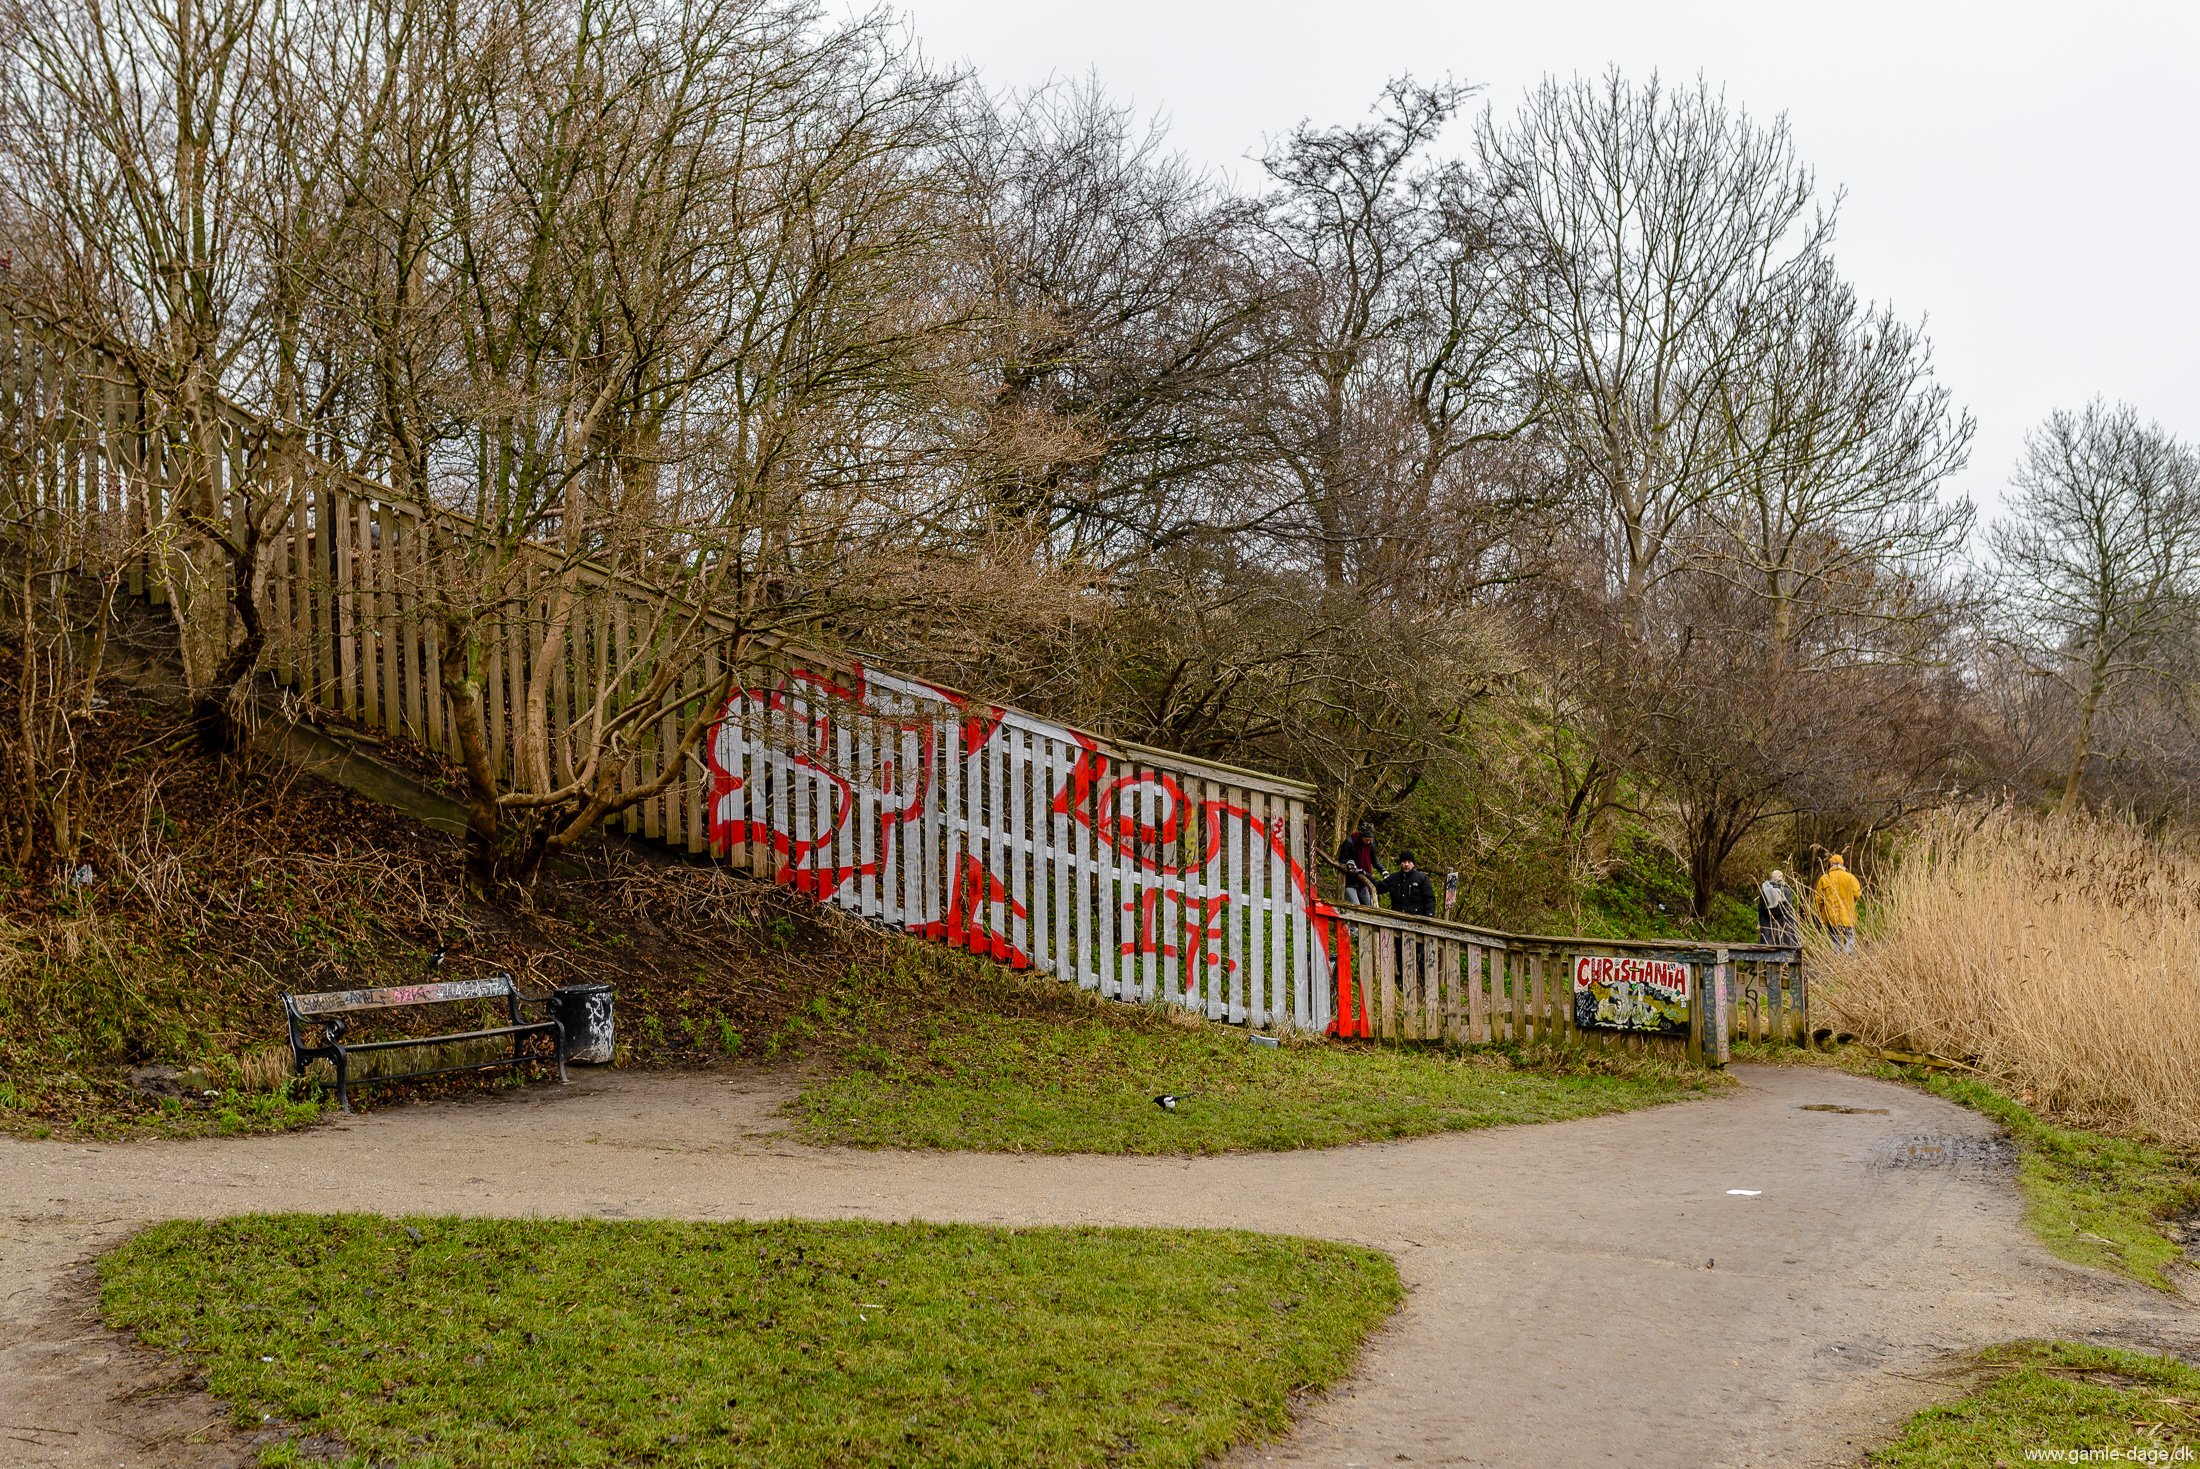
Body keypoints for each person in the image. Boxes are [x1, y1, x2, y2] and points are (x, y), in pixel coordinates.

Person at [1814, 854, 1862, 953]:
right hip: (1848, 915)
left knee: (1835, 940)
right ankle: (1847, 956)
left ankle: (1836, 962)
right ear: (1842, 864)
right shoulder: (1850, 877)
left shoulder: (1824, 878)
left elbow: (1818, 900)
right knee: (1850, 938)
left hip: (1831, 916)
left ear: (1830, 864)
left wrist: (1818, 913)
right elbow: (1857, 894)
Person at [1381, 852, 1437, 918]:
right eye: (1404, 862)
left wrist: (1430, 915)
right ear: (1400, 863)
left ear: (1413, 864)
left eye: (1409, 862)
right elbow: (1379, 887)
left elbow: (1429, 899)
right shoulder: (1393, 878)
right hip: (1396, 917)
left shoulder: (1422, 878)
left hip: (1417, 918)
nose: (1406, 864)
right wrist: (1367, 875)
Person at [1337, 827, 1379, 907]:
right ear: (1361, 837)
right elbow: (1341, 860)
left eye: (1371, 840)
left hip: (1363, 884)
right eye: (1367, 840)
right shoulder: (1349, 842)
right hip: (1350, 882)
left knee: (1371, 906)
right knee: (1357, 907)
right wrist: (1349, 862)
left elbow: (1375, 861)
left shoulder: (1369, 846)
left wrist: (1383, 870)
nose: (1369, 842)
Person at [1757, 869, 1798, 946]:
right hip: (1783, 928)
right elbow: (1788, 909)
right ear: (1781, 878)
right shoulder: (1786, 891)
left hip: (1767, 926)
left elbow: (1761, 907)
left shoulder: (1764, 890)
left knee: (1767, 944)